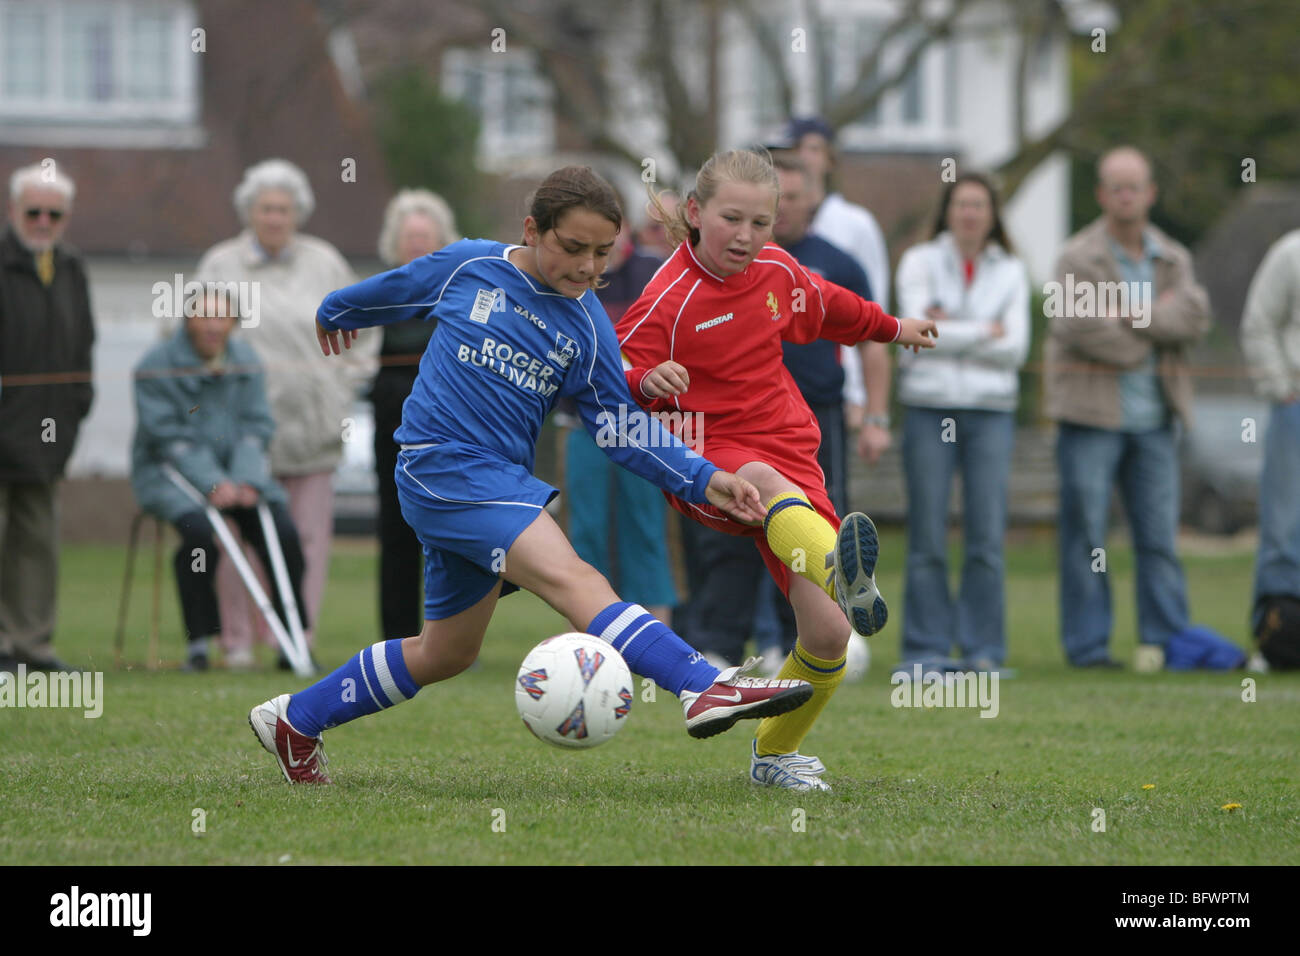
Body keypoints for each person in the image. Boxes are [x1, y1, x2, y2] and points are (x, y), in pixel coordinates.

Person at [248, 166, 814, 784]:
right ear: (532, 230)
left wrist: (705, 479)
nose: (585, 267)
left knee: (445, 652)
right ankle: (701, 685)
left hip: (497, 482)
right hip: (439, 465)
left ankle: (295, 720)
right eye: (572, 248)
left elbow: (621, 430)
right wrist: (337, 310)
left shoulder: (589, 325)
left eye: (601, 254)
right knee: (576, 577)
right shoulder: (471, 267)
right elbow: (395, 288)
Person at [617, 148, 937, 791]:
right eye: (732, 219)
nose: (746, 236)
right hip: (712, 456)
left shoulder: (776, 269)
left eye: (761, 223)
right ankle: (837, 566)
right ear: (695, 212)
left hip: (791, 449)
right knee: (763, 485)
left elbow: (831, 306)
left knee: (829, 633)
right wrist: (645, 379)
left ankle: (774, 752)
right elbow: (611, 378)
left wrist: (894, 327)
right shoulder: (668, 298)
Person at [682, 154, 875, 670]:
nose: (775, 214)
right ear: (699, 211)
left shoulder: (826, 261)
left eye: (782, 203)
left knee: (807, 516)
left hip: (812, 416)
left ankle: (806, 629)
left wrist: (872, 406)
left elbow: (856, 323)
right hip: (728, 429)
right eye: (736, 217)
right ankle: (721, 645)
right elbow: (627, 363)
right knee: (736, 531)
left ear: (810, 198)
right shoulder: (688, 285)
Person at [197, 159, 378, 668]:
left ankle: (294, 639)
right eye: (266, 208)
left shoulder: (325, 262)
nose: (275, 217)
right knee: (237, 542)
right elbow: (187, 334)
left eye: (284, 208)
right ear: (248, 212)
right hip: (239, 437)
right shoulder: (219, 265)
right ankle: (236, 642)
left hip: (313, 430)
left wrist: (343, 385)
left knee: (308, 542)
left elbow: (365, 328)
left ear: (298, 213)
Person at [1045, 146, 1211, 670]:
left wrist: (1130, 315)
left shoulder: (1174, 257)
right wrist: (1149, 334)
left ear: (1150, 193)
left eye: (1134, 185)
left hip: (1157, 421)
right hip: (1090, 420)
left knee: (1160, 538)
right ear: (1101, 194)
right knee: (1086, 538)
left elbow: (1195, 316)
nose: (1125, 195)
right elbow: (1077, 324)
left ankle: (1167, 642)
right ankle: (1089, 648)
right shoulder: (1077, 256)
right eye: (1115, 186)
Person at [893, 172, 1030, 677]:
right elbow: (915, 333)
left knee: (986, 534)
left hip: (992, 412)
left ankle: (983, 650)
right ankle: (924, 647)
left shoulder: (1012, 269)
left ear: (992, 214)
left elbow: (1016, 347)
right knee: (928, 531)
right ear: (948, 210)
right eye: (961, 204)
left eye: (980, 205)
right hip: (928, 406)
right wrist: (983, 331)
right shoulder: (919, 261)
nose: (970, 213)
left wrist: (946, 324)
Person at [131, 289, 308, 671]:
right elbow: (168, 439)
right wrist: (213, 482)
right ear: (187, 320)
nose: (213, 325)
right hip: (171, 477)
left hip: (239, 479)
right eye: (204, 316)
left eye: (221, 317)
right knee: (199, 539)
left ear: (233, 323)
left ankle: (293, 638)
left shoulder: (247, 361)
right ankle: (200, 643)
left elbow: (256, 427)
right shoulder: (155, 365)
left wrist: (245, 480)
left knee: (283, 531)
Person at [557, 213, 678, 624]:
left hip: (643, 426)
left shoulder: (653, 272)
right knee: (585, 532)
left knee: (644, 532)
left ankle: (659, 644)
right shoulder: (571, 276)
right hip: (582, 424)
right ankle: (588, 644)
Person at [0, 162, 95, 675]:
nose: (42, 221)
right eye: (32, 211)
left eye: (53, 213)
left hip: (49, 436)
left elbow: (84, 345)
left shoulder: (73, 267)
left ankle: (32, 646)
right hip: (4, 430)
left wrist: (77, 407)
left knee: (37, 544)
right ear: (13, 210)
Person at [770, 117, 894, 466]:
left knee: (824, 515)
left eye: (792, 197)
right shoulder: (740, 260)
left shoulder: (839, 261)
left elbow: (874, 334)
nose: (782, 206)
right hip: (753, 412)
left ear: (810, 198)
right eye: (775, 197)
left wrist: (875, 416)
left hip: (820, 409)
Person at [371, 189, 459, 640]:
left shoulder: (457, 290)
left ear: (441, 239)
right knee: (395, 530)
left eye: (425, 236)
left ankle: (448, 634)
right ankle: (397, 634)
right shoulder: (382, 290)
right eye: (409, 236)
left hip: (450, 428)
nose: (417, 244)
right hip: (392, 428)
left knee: (449, 532)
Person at [1239, 228, 1300, 664]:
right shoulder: (1290, 252)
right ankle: (1279, 639)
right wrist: (1281, 387)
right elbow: (1259, 321)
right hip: (1294, 404)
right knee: (1285, 524)